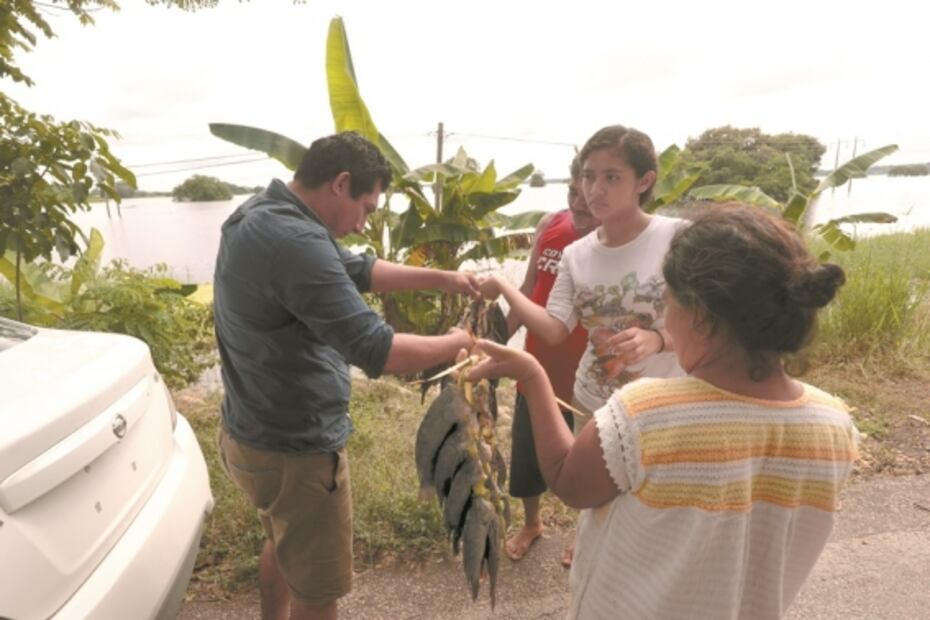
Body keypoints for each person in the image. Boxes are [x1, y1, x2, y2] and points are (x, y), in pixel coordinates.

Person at [466, 203, 858, 619]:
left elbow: (569, 481)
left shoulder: (646, 414)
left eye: (668, 304)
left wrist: (532, 374)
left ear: (701, 317)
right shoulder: (835, 423)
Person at [212, 132, 479, 620]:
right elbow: (379, 350)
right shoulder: (296, 241)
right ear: (340, 184)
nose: (363, 222)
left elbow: (361, 269)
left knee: (282, 539)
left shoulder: (268, 214)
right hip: (297, 450)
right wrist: (462, 341)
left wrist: (444, 278)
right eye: (366, 206)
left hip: (251, 433)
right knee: (318, 591)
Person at [479, 125, 687, 563]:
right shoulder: (578, 253)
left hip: (663, 403)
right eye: (589, 176)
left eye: (612, 177)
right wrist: (501, 284)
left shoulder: (676, 238)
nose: (595, 189)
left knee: (653, 517)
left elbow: (715, 318)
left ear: (644, 181)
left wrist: (659, 338)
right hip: (594, 400)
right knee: (598, 505)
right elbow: (554, 327)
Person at [504, 155, 599, 563]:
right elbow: (526, 289)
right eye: (572, 191)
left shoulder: (610, 241)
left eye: (586, 194)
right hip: (537, 363)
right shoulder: (549, 226)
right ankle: (532, 523)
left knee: (593, 460)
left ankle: (584, 534)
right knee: (527, 454)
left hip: (587, 375)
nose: (577, 202)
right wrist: (492, 338)